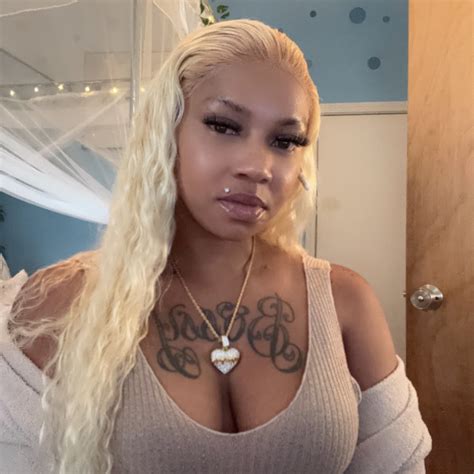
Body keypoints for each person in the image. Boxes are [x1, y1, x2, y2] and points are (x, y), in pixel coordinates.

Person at [0, 18, 431, 474]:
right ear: (165, 132)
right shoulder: (59, 303)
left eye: (285, 141)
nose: (258, 166)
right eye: (224, 126)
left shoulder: (346, 302)